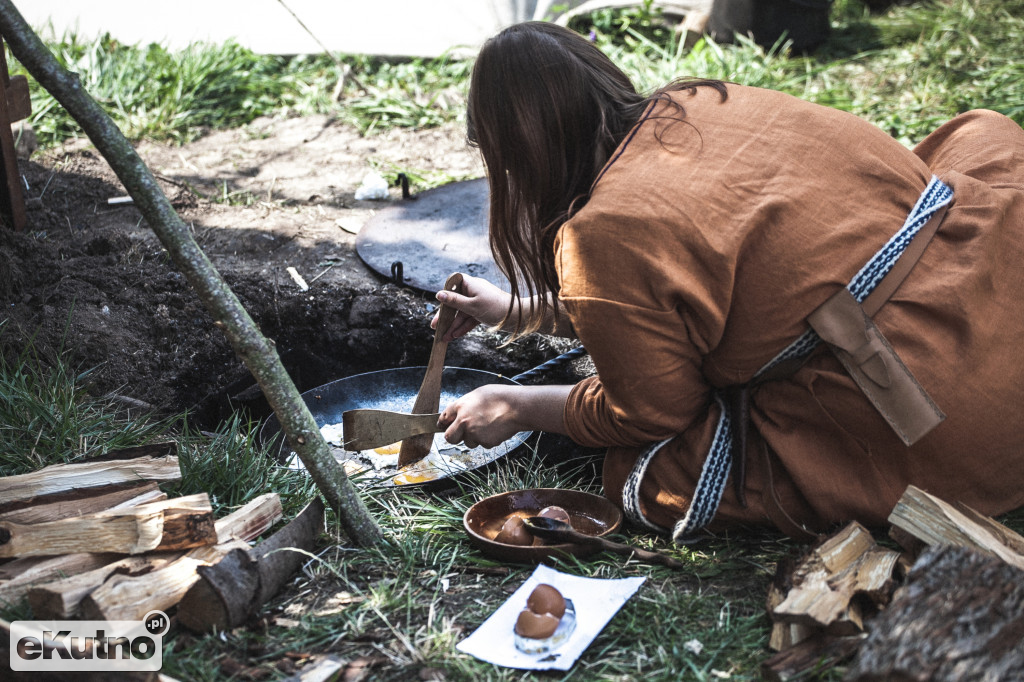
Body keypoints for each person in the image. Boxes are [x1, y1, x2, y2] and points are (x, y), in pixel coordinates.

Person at [432, 21, 1024, 543]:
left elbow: (650, 413)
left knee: (652, 475)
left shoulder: (605, 232)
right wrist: (518, 309)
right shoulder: (698, 101)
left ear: (520, 158)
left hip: (946, 397)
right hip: (992, 279)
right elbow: (686, 289)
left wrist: (516, 404)